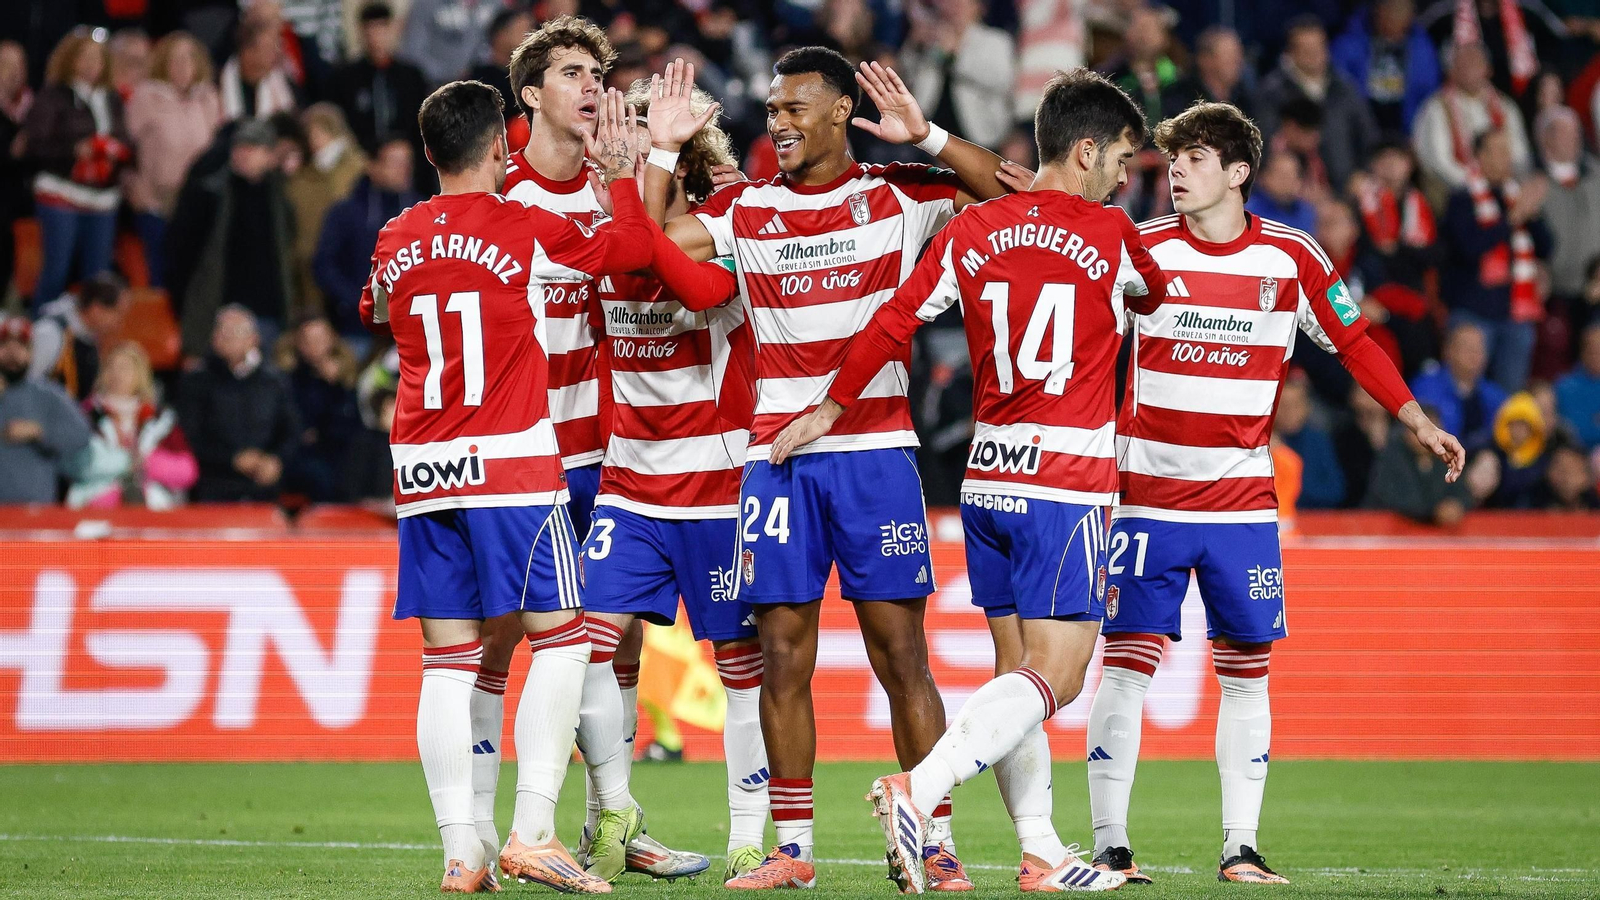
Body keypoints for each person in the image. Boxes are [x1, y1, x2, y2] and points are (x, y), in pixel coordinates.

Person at [767, 67, 1162, 895]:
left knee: (1014, 671)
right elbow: (1151, 296)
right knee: (1055, 677)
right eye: (1122, 159)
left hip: (988, 478)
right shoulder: (1112, 233)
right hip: (1065, 480)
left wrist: (830, 406)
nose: (1127, 177)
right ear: (1085, 151)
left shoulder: (971, 233)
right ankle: (919, 786)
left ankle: (1042, 850)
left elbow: (892, 323)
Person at [647, 44, 1021, 890]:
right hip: (776, 457)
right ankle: (794, 851)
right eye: (772, 109)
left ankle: (931, 835)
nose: (776, 122)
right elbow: (650, 250)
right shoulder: (746, 210)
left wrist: (927, 136)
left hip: (874, 452)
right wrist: (663, 155)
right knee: (781, 653)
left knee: (901, 655)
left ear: (842, 111)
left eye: (795, 108)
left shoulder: (898, 192)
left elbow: (1022, 197)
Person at [1085, 101, 1463, 885]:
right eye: (1172, 160)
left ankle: (1240, 847)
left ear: (1237, 173)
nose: (1175, 172)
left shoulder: (1291, 258)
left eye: (1191, 159)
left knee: (1247, 669)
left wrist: (1414, 417)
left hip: (1242, 507)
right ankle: (1110, 844)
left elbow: (1353, 339)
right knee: (1124, 667)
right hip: (1144, 499)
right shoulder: (1140, 246)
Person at [362, 79, 651, 894]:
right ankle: (531, 831)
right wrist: (623, 177)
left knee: (447, 663)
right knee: (564, 640)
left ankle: (462, 851)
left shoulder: (393, 235)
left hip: (423, 470)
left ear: (426, 152)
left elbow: (378, 310)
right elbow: (627, 253)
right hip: (512, 464)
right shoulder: (525, 227)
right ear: (499, 145)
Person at [488, 21, 705, 883]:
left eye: (599, 73)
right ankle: (490, 831)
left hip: (610, 455)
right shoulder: (501, 199)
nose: (591, 86)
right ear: (530, 95)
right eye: (571, 72)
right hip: (528, 456)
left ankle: (609, 823)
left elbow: (650, 257)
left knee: (615, 647)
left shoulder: (618, 193)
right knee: (522, 644)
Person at [557, 67, 765, 886]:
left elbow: (690, 278)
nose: (625, 170)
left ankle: (750, 835)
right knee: (582, 656)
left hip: (718, 494)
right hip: (631, 489)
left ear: (680, 165)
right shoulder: (613, 229)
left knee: (742, 669)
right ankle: (614, 810)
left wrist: (636, 175)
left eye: (647, 157)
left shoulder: (729, 225)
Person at [166, 117, 298, 358]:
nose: (243, 154)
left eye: (252, 148)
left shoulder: (282, 198)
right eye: (239, 147)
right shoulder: (207, 194)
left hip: (267, 312)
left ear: (270, 156)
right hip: (216, 310)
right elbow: (182, 253)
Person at [23, 29, 131, 314]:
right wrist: (74, 149)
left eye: (97, 59)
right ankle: (41, 335)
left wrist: (115, 151)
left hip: (103, 197)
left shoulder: (111, 98)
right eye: (84, 58)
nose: (91, 65)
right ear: (70, 60)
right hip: (62, 193)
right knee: (56, 271)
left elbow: (126, 140)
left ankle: (88, 344)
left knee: (98, 278)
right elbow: (36, 144)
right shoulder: (52, 96)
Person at [1439, 128, 1552, 392]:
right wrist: (1512, 219)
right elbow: (1469, 248)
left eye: (1508, 151)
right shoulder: (1462, 199)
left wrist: (1531, 215)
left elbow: (1546, 248)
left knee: (1510, 393)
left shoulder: (1516, 197)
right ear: (1480, 156)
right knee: (1464, 388)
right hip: (1472, 312)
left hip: (1514, 314)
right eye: (1499, 151)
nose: (1507, 158)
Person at [124, 31, 223, 289]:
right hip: (157, 201)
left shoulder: (208, 98)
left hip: (197, 201)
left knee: (197, 275)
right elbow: (124, 146)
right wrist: (133, 184)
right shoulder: (146, 97)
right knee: (161, 274)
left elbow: (216, 149)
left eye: (188, 60)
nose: (182, 67)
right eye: (175, 60)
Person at [176, 305, 298, 502]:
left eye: (232, 333)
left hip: (265, 483)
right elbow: (190, 437)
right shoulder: (196, 381)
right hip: (214, 483)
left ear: (253, 339)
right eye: (219, 331)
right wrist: (232, 459)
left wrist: (276, 459)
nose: (222, 338)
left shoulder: (274, 381)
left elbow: (291, 430)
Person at [313, 136, 420, 349]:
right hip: (356, 332)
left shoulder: (423, 210)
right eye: (395, 162)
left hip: (412, 331)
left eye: (408, 162)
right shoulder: (345, 212)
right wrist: (356, 301)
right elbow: (323, 265)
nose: (404, 169)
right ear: (372, 166)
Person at [67, 341, 198, 509]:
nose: (117, 374)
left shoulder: (160, 419)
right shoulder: (84, 415)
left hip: (153, 507)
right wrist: (125, 463)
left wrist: (148, 464)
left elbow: (187, 470)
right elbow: (73, 463)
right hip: (95, 503)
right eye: (111, 367)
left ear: (140, 374)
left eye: (125, 368)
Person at [1256, 16, 1378, 191]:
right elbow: (1265, 143)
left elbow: (1367, 135)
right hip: (1295, 192)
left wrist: (1362, 173)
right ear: (1290, 52)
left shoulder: (1344, 88)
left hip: (1346, 191)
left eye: (1318, 47)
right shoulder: (1271, 93)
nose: (1314, 55)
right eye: (1306, 49)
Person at [1413, 42, 1532, 194]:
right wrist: (1479, 187)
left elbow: (1519, 156)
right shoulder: (1436, 108)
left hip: (1504, 188)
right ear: (1451, 71)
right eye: (1461, 64)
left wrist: (1506, 184)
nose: (1469, 69)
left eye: (1475, 63)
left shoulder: (1506, 107)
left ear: (1488, 69)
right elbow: (1439, 163)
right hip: (1455, 193)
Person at [898, 0, 1017, 150]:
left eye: (962, 4)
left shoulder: (995, 40)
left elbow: (1001, 81)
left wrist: (955, 55)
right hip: (929, 129)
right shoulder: (932, 37)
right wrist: (915, 46)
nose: (956, 8)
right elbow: (907, 75)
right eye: (951, 3)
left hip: (977, 131)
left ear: (979, 8)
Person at [0, 315, 91, 503]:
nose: (12, 353)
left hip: (34, 507)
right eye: (5, 347)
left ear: (31, 352)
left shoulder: (48, 394)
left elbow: (81, 435)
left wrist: (40, 431)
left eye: (20, 347)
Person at [285, 103, 366, 312]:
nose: (311, 138)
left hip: (346, 261)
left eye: (315, 130)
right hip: (309, 257)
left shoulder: (356, 168)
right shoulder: (303, 174)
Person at [325, 2, 428, 167]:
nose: (376, 37)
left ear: (392, 30)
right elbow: (340, 129)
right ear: (361, 32)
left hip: (407, 164)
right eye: (371, 29)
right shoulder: (345, 78)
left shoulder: (412, 77)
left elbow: (421, 127)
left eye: (382, 28)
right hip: (361, 164)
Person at [277, 315, 362, 502]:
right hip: (303, 454)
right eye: (308, 340)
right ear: (298, 344)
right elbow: (295, 425)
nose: (315, 346)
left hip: (343, 451)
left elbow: (352, 424)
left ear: (332, 339)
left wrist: (336, 385)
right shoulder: (289, 380)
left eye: (320, 339)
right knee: (320, 474)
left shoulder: (349, 377)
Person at [1330, 0, 1441, 135]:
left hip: (1407, 130)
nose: (1395, 19)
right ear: (1378, 12)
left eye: (1402, 12)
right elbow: (1338, 89)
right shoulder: (1348, 43)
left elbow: (1429, 92)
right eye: (1391, 11)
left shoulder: (1422, 46)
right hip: (1357, 128)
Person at [1534, 107, 1600, 317]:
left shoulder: (1596, 174)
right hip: (1551, 289)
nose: (1574, 139)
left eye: (1576, 133)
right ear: (1546, 138)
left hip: (1594, 285)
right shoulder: (1528, 177)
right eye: (1565, 133)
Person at [1363, 403, 1474, 524]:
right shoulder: (1392, 456)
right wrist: (1435, 512)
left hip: (1440, 536)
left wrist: (1457, 505)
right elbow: (1394, 499)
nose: (1429, 437)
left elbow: (1463, 493)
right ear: (1406, 431)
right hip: (1389, 530)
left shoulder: (1447, 458)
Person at [28, 272, 131, 401]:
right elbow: (25, 386)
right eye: (117, 313)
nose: (119, 322)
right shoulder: (50, 333)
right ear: (96, 309)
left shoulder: (90, 338)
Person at [1274, 373, 1345, 507]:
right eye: (1283, 406)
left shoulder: (1318, 440)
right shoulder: (1261, 444)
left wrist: (1296, 490)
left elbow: (1336, 491)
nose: (1290, 412)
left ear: (1307, 407)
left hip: (1315, 520)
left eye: (1296, 404)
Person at [1162, 26, 1257, 119]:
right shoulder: (1179, 100)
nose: (1237, 62)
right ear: (1205, 60)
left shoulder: (1244, 101)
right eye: (1228, 55)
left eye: (1238, 55)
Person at [221, 14, 297, 120]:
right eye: (269, 48)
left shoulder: (285, 84)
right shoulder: (218, 87)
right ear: (247, 52)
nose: (277, 53)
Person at [1246, 152, 1316, 233]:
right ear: (1266, 177)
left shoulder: (1306, 213)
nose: (1287, 182)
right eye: (1282, 176)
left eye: (1292, 176)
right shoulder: (1249, 211)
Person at [1556, 324, 1600, 448]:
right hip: (1575, 454)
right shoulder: (1565, 387)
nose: (1596, 356)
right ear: (1583, 352)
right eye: (1592, 350)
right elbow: (1575, 430)